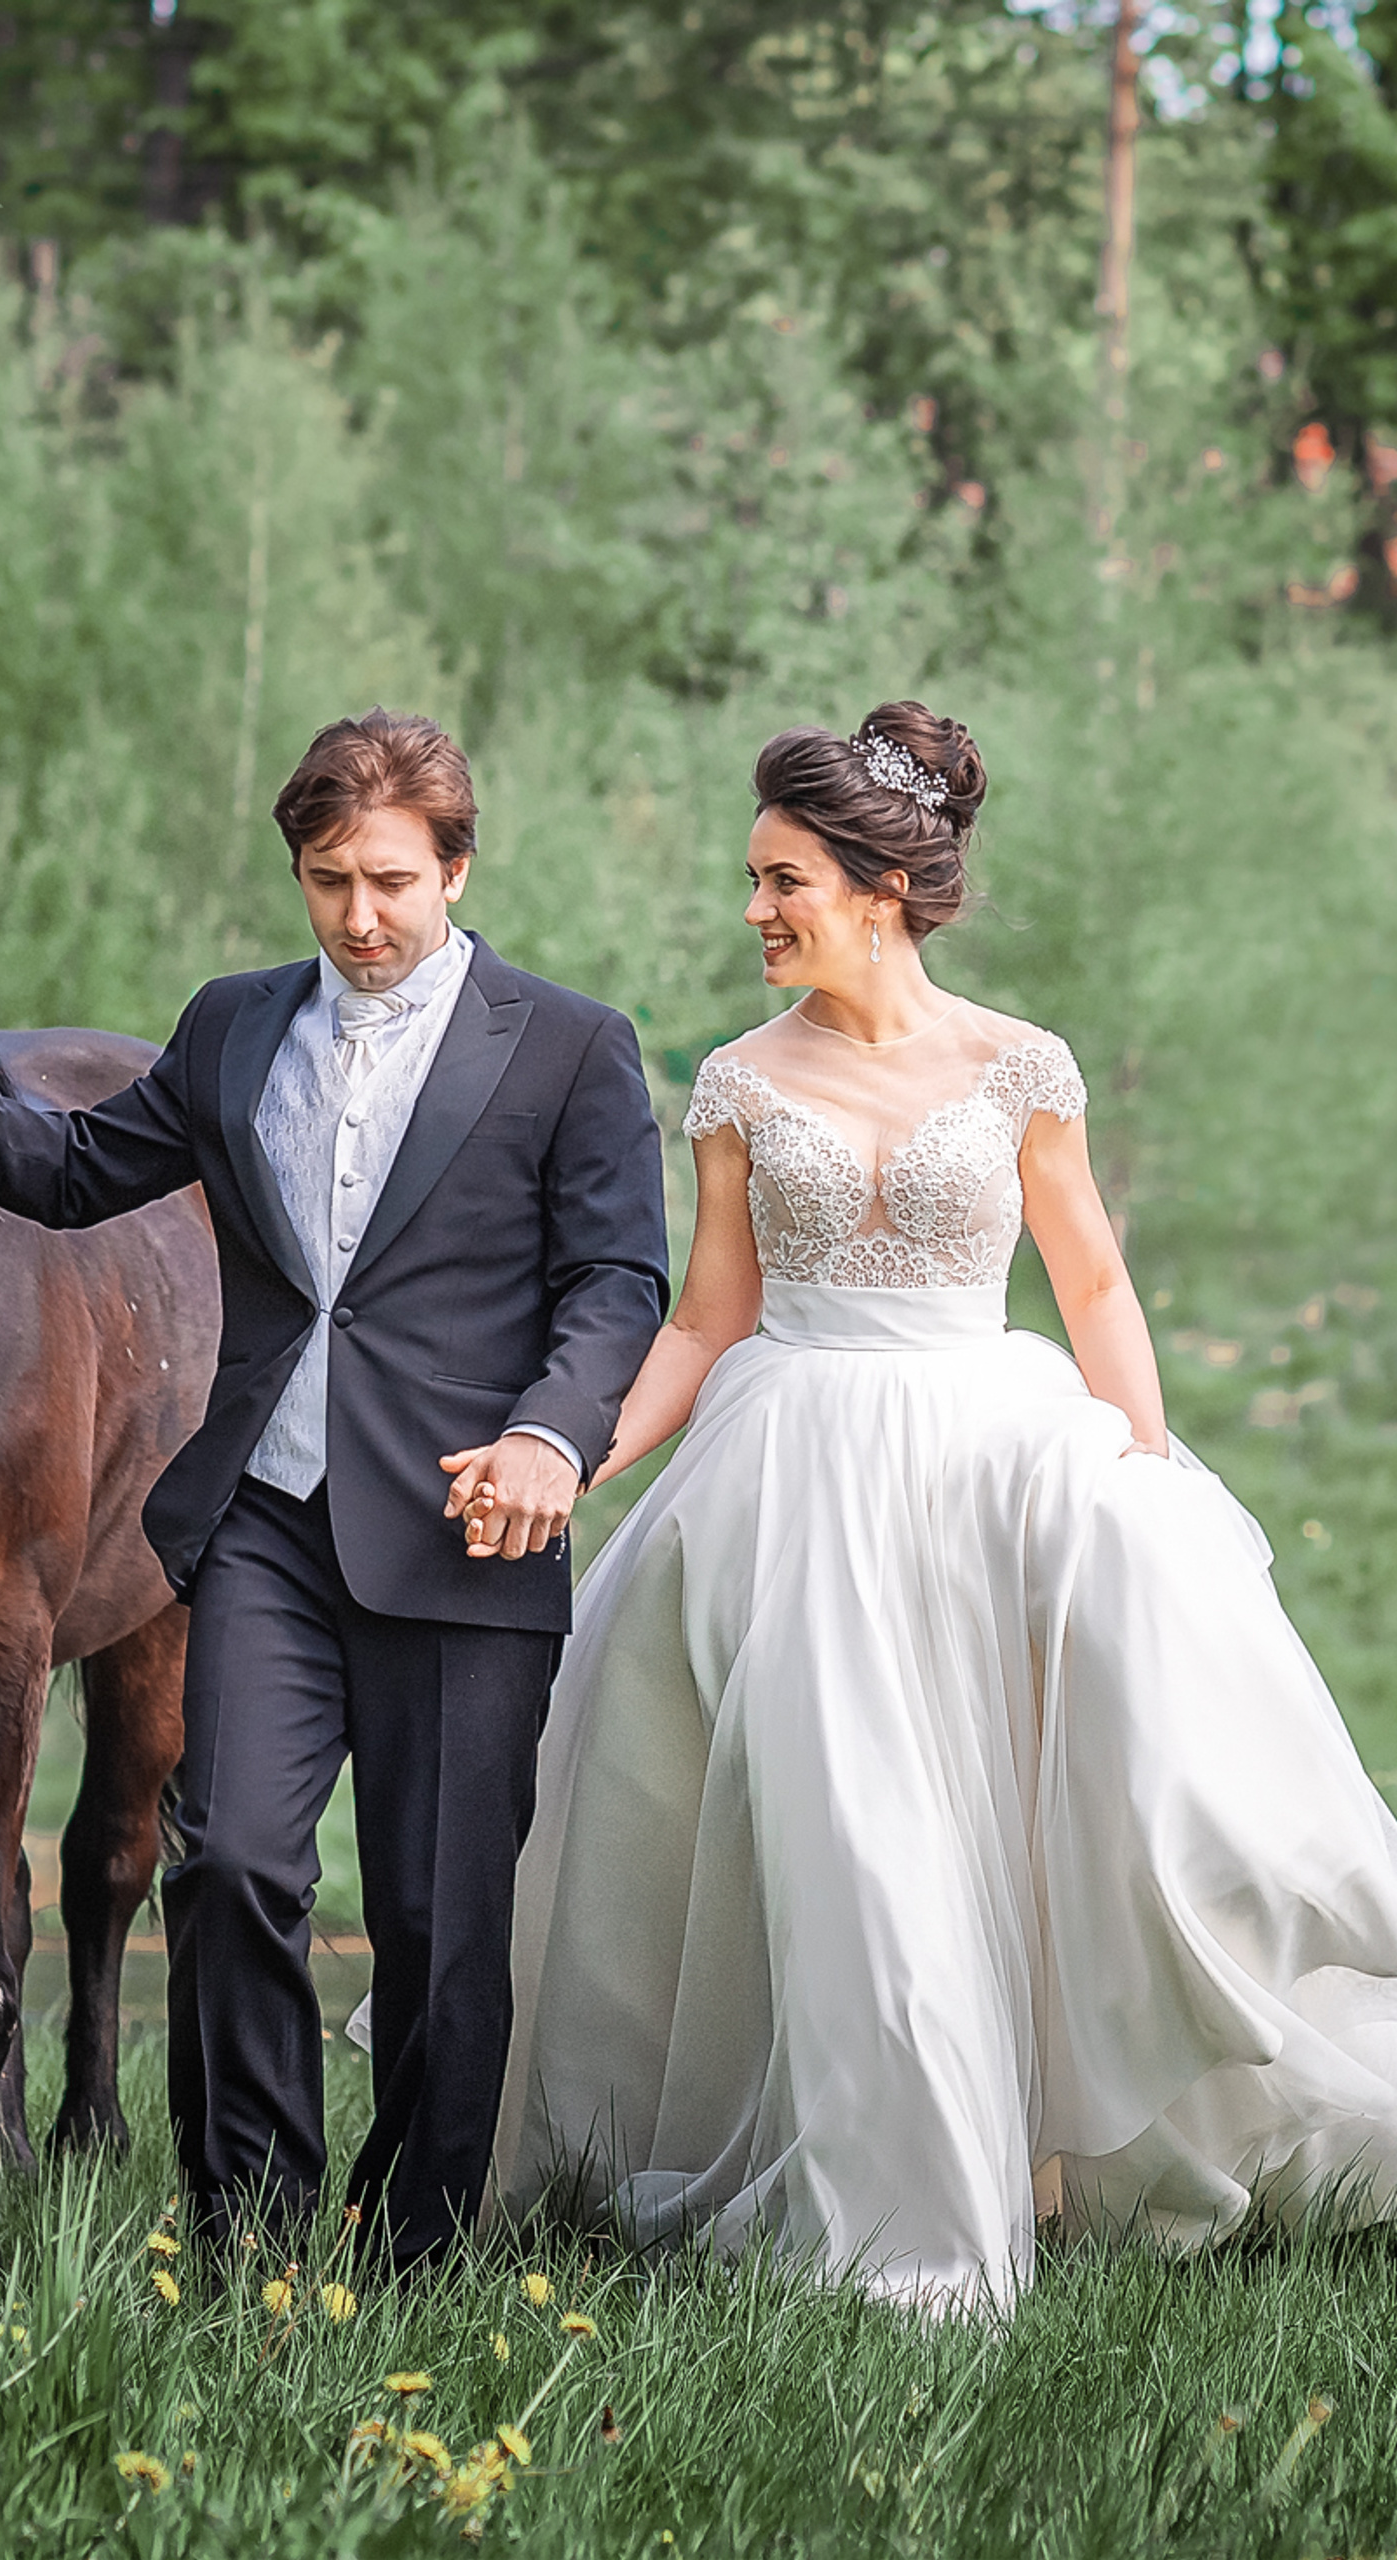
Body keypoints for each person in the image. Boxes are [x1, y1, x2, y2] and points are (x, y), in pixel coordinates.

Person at [491, 700, 1397, 2311]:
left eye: (783, 882)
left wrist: (1142, 1483)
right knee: (860, 1833)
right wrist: (578, 1456)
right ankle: (899, 2216)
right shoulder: (738, 1085)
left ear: (883, 886)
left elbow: (1095, 1283)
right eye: (754, 881)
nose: (756, 910)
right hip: (799, 1475)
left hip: (993, 1452)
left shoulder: (1020, 1066)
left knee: (1060, 1804)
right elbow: (706, 1320)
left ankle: (1066, 2142)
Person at [0, 710, 668, 2270]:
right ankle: (250, 2244)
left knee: (437, 1929)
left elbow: (618, 1280)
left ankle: (413, 2248)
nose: (359, 917)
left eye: (391, 883)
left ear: (457, 869)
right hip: (267, 1529)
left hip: (463, 1529)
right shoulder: (228, 1026)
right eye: (326, 880)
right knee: (224, 1869)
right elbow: (74, 1173)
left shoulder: (569, 1047)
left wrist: (554, 1438)